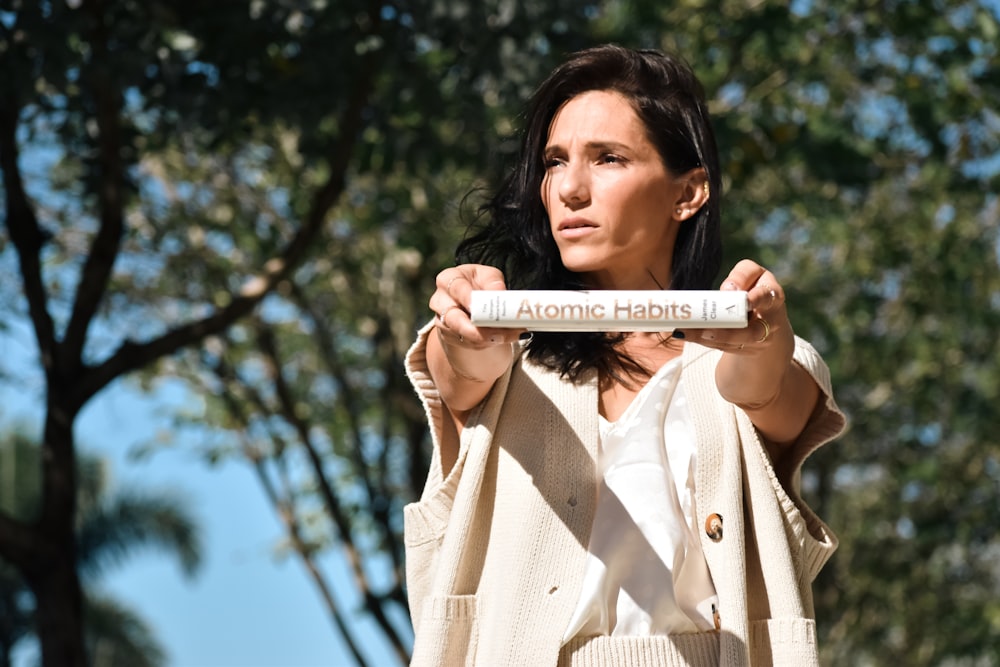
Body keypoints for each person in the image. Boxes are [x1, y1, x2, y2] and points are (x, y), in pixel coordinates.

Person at [403, 44, 845, 666]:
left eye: (608, 158)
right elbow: (460, 369)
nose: (570, 190)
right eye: (555, 162)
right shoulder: (506, 356)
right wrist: (463, 334)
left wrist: (759, 337)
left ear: (688, 193)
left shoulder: (760, 350)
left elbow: (765, 388)